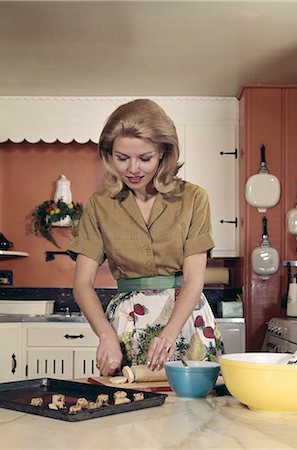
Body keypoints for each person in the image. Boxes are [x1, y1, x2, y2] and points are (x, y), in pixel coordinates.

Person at [68, 99, 224, 376]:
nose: (133, 169)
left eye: (145, 158)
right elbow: (82, 284)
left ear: (164, 152)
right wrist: (105, 334)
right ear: (109, 154)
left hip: (185, 319)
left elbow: (193, 280)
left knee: (197, 414)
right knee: (130, 411)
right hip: (129, 323)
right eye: (122, 158)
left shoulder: (193, 199)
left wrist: (168, 335)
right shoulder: (99, 205)